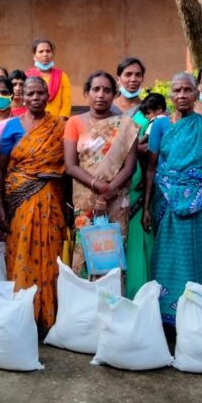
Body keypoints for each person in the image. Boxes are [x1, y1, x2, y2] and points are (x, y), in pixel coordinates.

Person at [142, 72, 202, 326]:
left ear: (196, 93)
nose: (182, 95)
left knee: (199, 254)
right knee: (166, 256)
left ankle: (197, 315)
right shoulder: (160, 125)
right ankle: (166, 316)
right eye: (177, 90)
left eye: (187, 90)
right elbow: (151, 167)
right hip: (166, 200)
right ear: (170, 95)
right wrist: (146, 206)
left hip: (199, 204)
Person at [0, 76, 67, 331]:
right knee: (20, 255)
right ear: (22, 97)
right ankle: (23, 316)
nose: (36, 97)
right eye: (31, 93)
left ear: (48, 95)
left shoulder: (59, 126)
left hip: (50, 198)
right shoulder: (11, 127)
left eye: (41, 93)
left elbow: (67, 166)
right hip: (17, 200)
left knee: (51, 253)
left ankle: (47, 316)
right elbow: (1, 168)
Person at [63, 71, 139, 278]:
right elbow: (70, 165)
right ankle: (84, 307)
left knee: (112, 256)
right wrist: (99, 186)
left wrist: (106, 195)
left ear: (114, 94)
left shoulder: (127, 126)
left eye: (107, 90)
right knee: (84, 254)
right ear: (86, 93)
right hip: (85, 199)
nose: (101, 94)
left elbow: (129, 167)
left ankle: (112, 305)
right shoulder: (74, 123)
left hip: (116, 200)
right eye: (95, 89)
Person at [125, 92, 167, 298]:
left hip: (147, 184)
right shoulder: (129, 116)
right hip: (132, 184)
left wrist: (136, 147)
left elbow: (149, 148)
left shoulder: (158, 122)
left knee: (143, 239)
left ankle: (143, 295)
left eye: (137, 74)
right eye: (128, 74)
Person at [26, 38, 71, 118]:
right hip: (33, 122)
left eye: (48, 51)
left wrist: (59, 122)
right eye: (41, 51)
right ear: (34, 56)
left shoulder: (62, 76)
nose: (45, 54)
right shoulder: (27, 76)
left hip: (57, 123)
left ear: (52, 54)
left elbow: (66, 103)